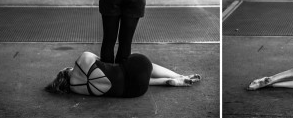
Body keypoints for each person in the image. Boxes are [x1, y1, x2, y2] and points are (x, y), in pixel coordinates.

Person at [45, 51, 201, 97]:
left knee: (127, 80)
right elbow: (106, 59)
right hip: (135, 72)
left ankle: (165, 81)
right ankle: (178, 75)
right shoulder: (82, 60)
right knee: (143, 63)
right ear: (66, 71)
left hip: (135, 91)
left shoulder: (76, 89)